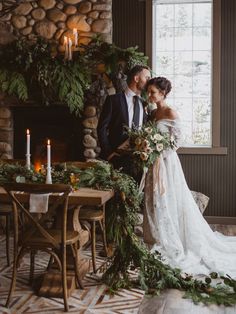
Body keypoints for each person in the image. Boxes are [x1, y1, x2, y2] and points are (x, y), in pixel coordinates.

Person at [143, 77, 236, 277]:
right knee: (153, 200)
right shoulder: (151, 113)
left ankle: (171, 239)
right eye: (148, 92)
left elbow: (177, 141)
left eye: (152, 92)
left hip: (167, 164)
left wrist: (159, 151)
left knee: (168, 198)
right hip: (152, 163)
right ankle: (155, 237)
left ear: (163, 93)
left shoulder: (170, 112)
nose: (149, 95)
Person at [97, 65, 151, 176]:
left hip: (139, 159)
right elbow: (101, 128)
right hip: (117, 157)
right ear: (136, 79)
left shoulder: (144, 103)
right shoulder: (113, 100)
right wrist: (109, 153)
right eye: (147, 78)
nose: (149, 81)